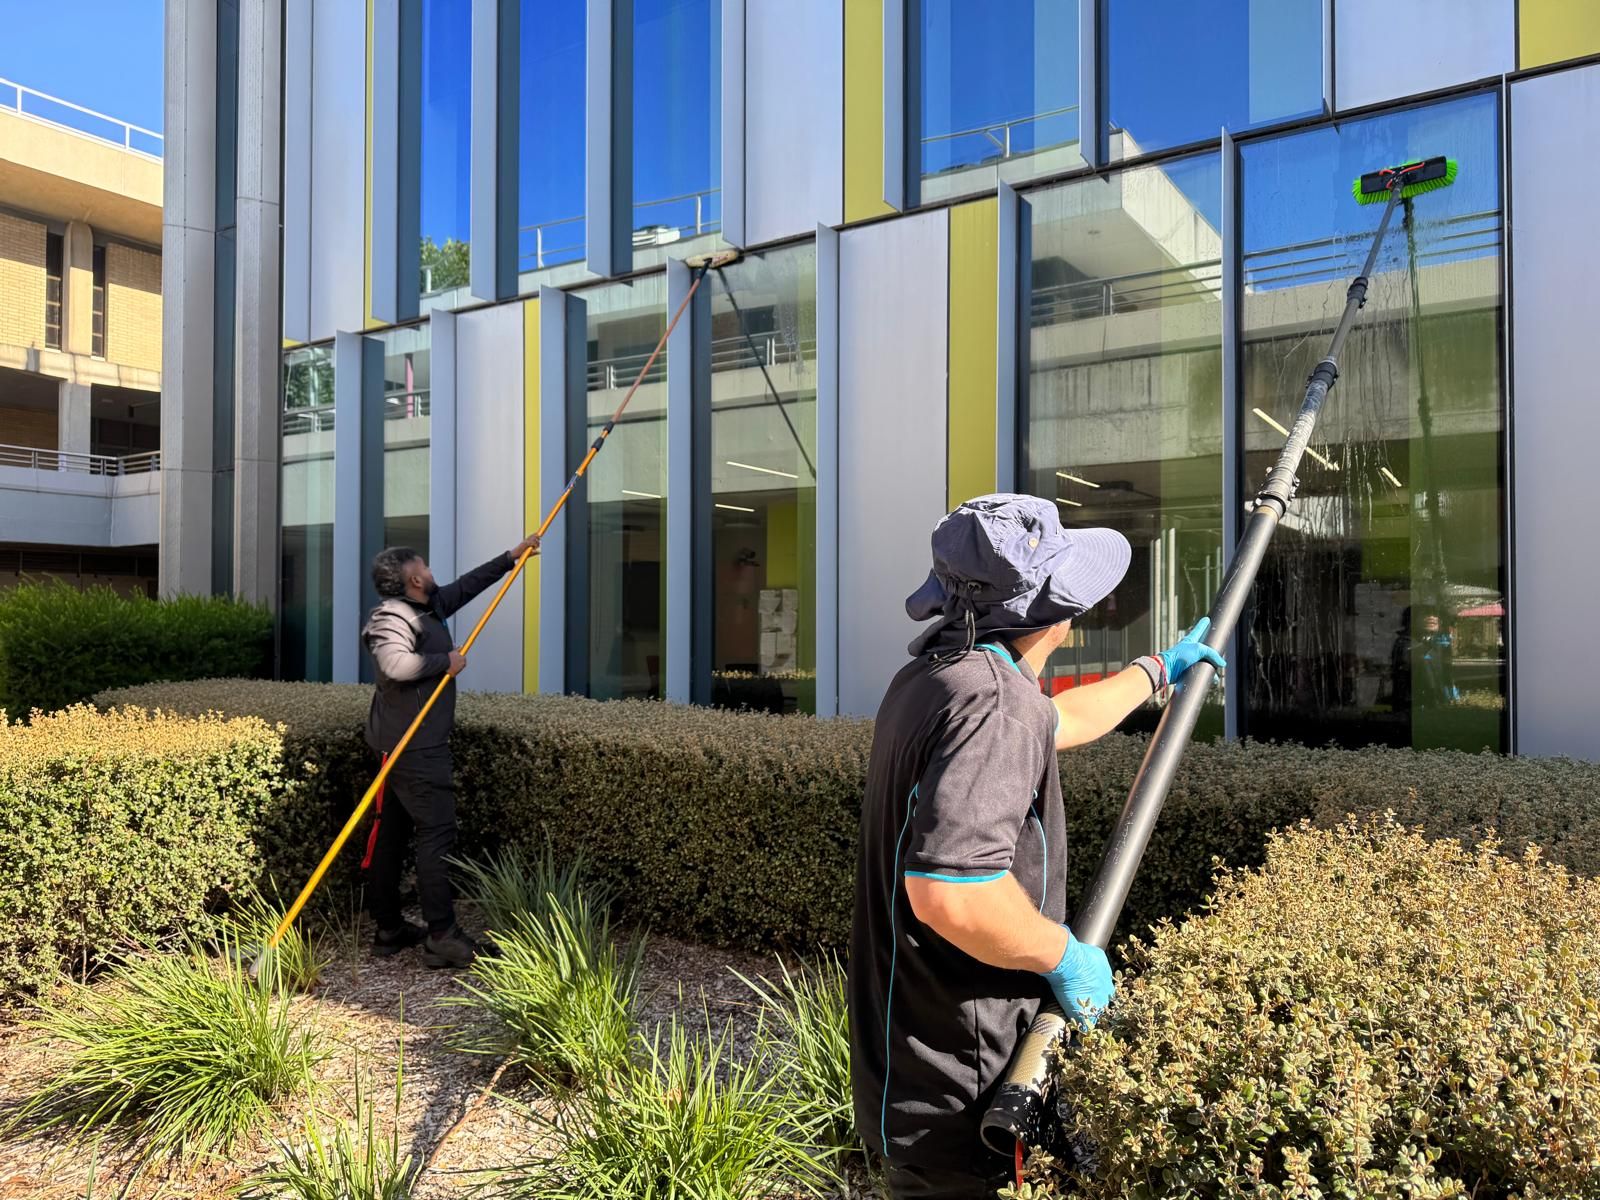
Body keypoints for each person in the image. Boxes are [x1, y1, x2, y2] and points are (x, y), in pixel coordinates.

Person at [849, 494, 1226, 1198]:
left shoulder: (939, 679)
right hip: (967, 1086)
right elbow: (950, 891)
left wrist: (1156, 670)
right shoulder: (995, 703)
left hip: (911, 1070)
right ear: (1048, 610)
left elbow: (1053, 719)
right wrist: (1065, 957)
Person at [361, 535, 540, 967]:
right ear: (415, 577)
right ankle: (442, 935)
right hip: (414, 749)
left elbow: (464, 587)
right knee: (435, 837)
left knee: (392, 836)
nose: (432, 571)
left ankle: (389, 929)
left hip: (409, 745)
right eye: (425, 565)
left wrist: (510, 557)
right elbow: (394, 665)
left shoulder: (427, 606)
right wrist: (447, 662)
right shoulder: (391, 618)